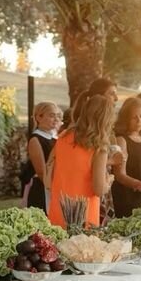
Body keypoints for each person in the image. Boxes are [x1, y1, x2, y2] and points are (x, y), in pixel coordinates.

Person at [47, 95, 116, 229]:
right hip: (83, 215)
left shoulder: (64, 136)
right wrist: (109, 180)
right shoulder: (98, 146)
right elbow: (99, 189)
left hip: (58, 209)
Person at [112, 97, 141, 215]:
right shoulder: (121, 140)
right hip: (127, 200)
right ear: (126, 118)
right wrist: (136, 184)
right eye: (134, 117)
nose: (139, 121)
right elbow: (119, 174)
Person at [21, 102, 60, 210]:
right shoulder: (36, 139)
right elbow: (41, 172)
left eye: (57, 115)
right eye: (52, 115)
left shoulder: (56, 137)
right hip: (42, 189)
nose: (56, 119)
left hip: (56, 185)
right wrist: (54, 188)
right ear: (39, 117)